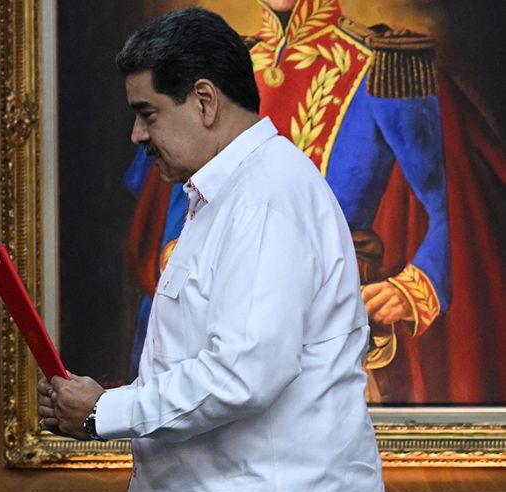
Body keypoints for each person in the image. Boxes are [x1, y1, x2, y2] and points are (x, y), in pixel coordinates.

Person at [38, 8, 396, 492]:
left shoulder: (263, 196)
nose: (137, 136)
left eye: (148, 113)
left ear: (204, 100)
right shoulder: (233, 194)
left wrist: (104, 412)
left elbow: (245, 372)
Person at [123, 0, 506, 403]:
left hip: (329, 343)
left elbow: (449, 210)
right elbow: (175, 221)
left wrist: (412, 288)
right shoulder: (208, 76)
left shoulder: (385, 65)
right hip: (217, 341)